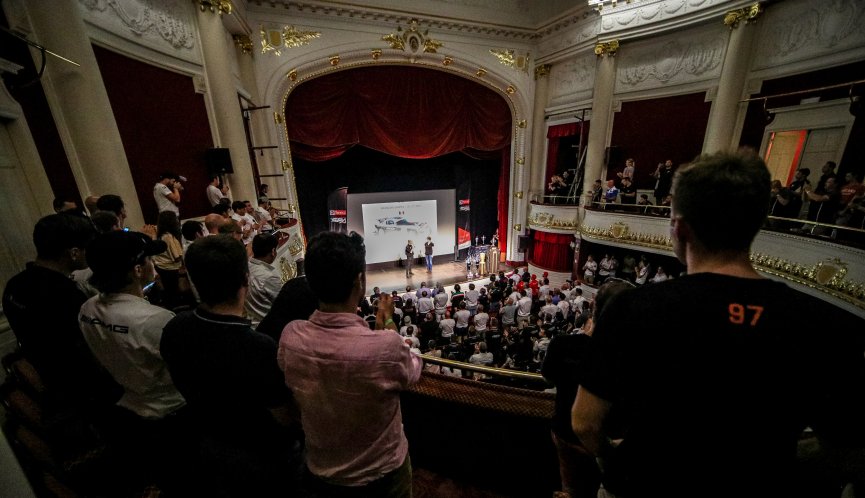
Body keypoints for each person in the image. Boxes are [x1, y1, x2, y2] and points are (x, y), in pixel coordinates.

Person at [571, 151, 865, 498]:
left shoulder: (633, 308)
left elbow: (584, 422)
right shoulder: (817, 322)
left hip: (646, 482)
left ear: (679, 229)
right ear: (757, 224)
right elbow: (849, 442)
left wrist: (614, 460)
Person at [278, 231, 422, 496]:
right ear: (360, 281)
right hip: (384, 475)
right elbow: (413, 370)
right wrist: (388, 327)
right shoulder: (386, 346)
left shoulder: (291, 337)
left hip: (321, 473)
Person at [160, 235, 304, 497]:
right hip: (265, 457)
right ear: (246, 279)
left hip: (208, 443)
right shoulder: (259, 347)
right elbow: (284, 415)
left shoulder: (174, 328)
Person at [77, 230, 190, 493]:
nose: (154, 264)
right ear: (138, 269)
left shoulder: (87, 309)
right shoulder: (154, 319)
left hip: (129, 409)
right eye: (150, 259)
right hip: (172, 414)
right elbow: (187, 370)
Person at [245, 233, 283, 327]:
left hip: (250, 322)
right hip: (267, 326)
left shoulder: (246, 266)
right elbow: (282, 304)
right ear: (273, 251)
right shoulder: (269, 276)